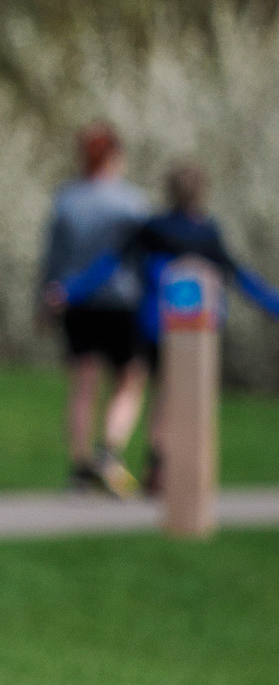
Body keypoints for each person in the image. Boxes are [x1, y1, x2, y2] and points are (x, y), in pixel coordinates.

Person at [54, 161, 279, 493]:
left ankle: (110, 449)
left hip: (149, 322)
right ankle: (158, 462)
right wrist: (273, 305)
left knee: (132, 384)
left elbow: (108, 265)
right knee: (168, 395)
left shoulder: (151, 229)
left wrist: (70, 291)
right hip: (192, 328)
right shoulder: (207, 234)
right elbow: (240, 276)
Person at [38, 123, 152, 495]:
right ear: (115, 155)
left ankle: (80, 465)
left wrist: (44, 299)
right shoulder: (133, 203)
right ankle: (109, 451)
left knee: (83, 384)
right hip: (122, 301)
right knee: (130, 378)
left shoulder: (67, 199)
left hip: (75, 301)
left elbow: (52, 257)